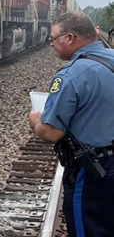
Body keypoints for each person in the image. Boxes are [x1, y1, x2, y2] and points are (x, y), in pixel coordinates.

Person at [28, 12, 114, 237]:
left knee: (88, 229)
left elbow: (51, 132)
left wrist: (36, 122)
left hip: (96, 172)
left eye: (53, 39)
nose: (51, 44)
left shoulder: (72, 75)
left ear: (69, 38)